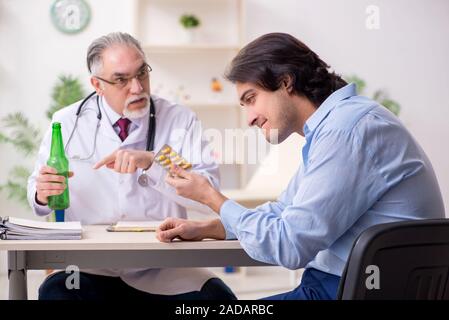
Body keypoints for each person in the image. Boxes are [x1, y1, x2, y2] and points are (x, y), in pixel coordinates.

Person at [156, 32, 445, 300]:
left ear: (285, 82)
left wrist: (212, 198)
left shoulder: (346, 130)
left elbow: (289, 245)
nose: (250, 118)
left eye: (251, 99)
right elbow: (285, 211)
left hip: (350, 291)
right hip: (343, 287)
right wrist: (214, 227)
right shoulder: (337, 127)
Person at [27, 32, 236, 300]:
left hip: (163, 266)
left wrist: (154, 163)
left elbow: (209, 194)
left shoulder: (179, 119)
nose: (137, 87)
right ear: (97, 84)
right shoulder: (67, 122)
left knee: (218, 300)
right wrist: (41, 193)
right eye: (121, 79)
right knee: (56, 295)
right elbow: (37, 194)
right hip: (88, 265)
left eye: (142, 74)